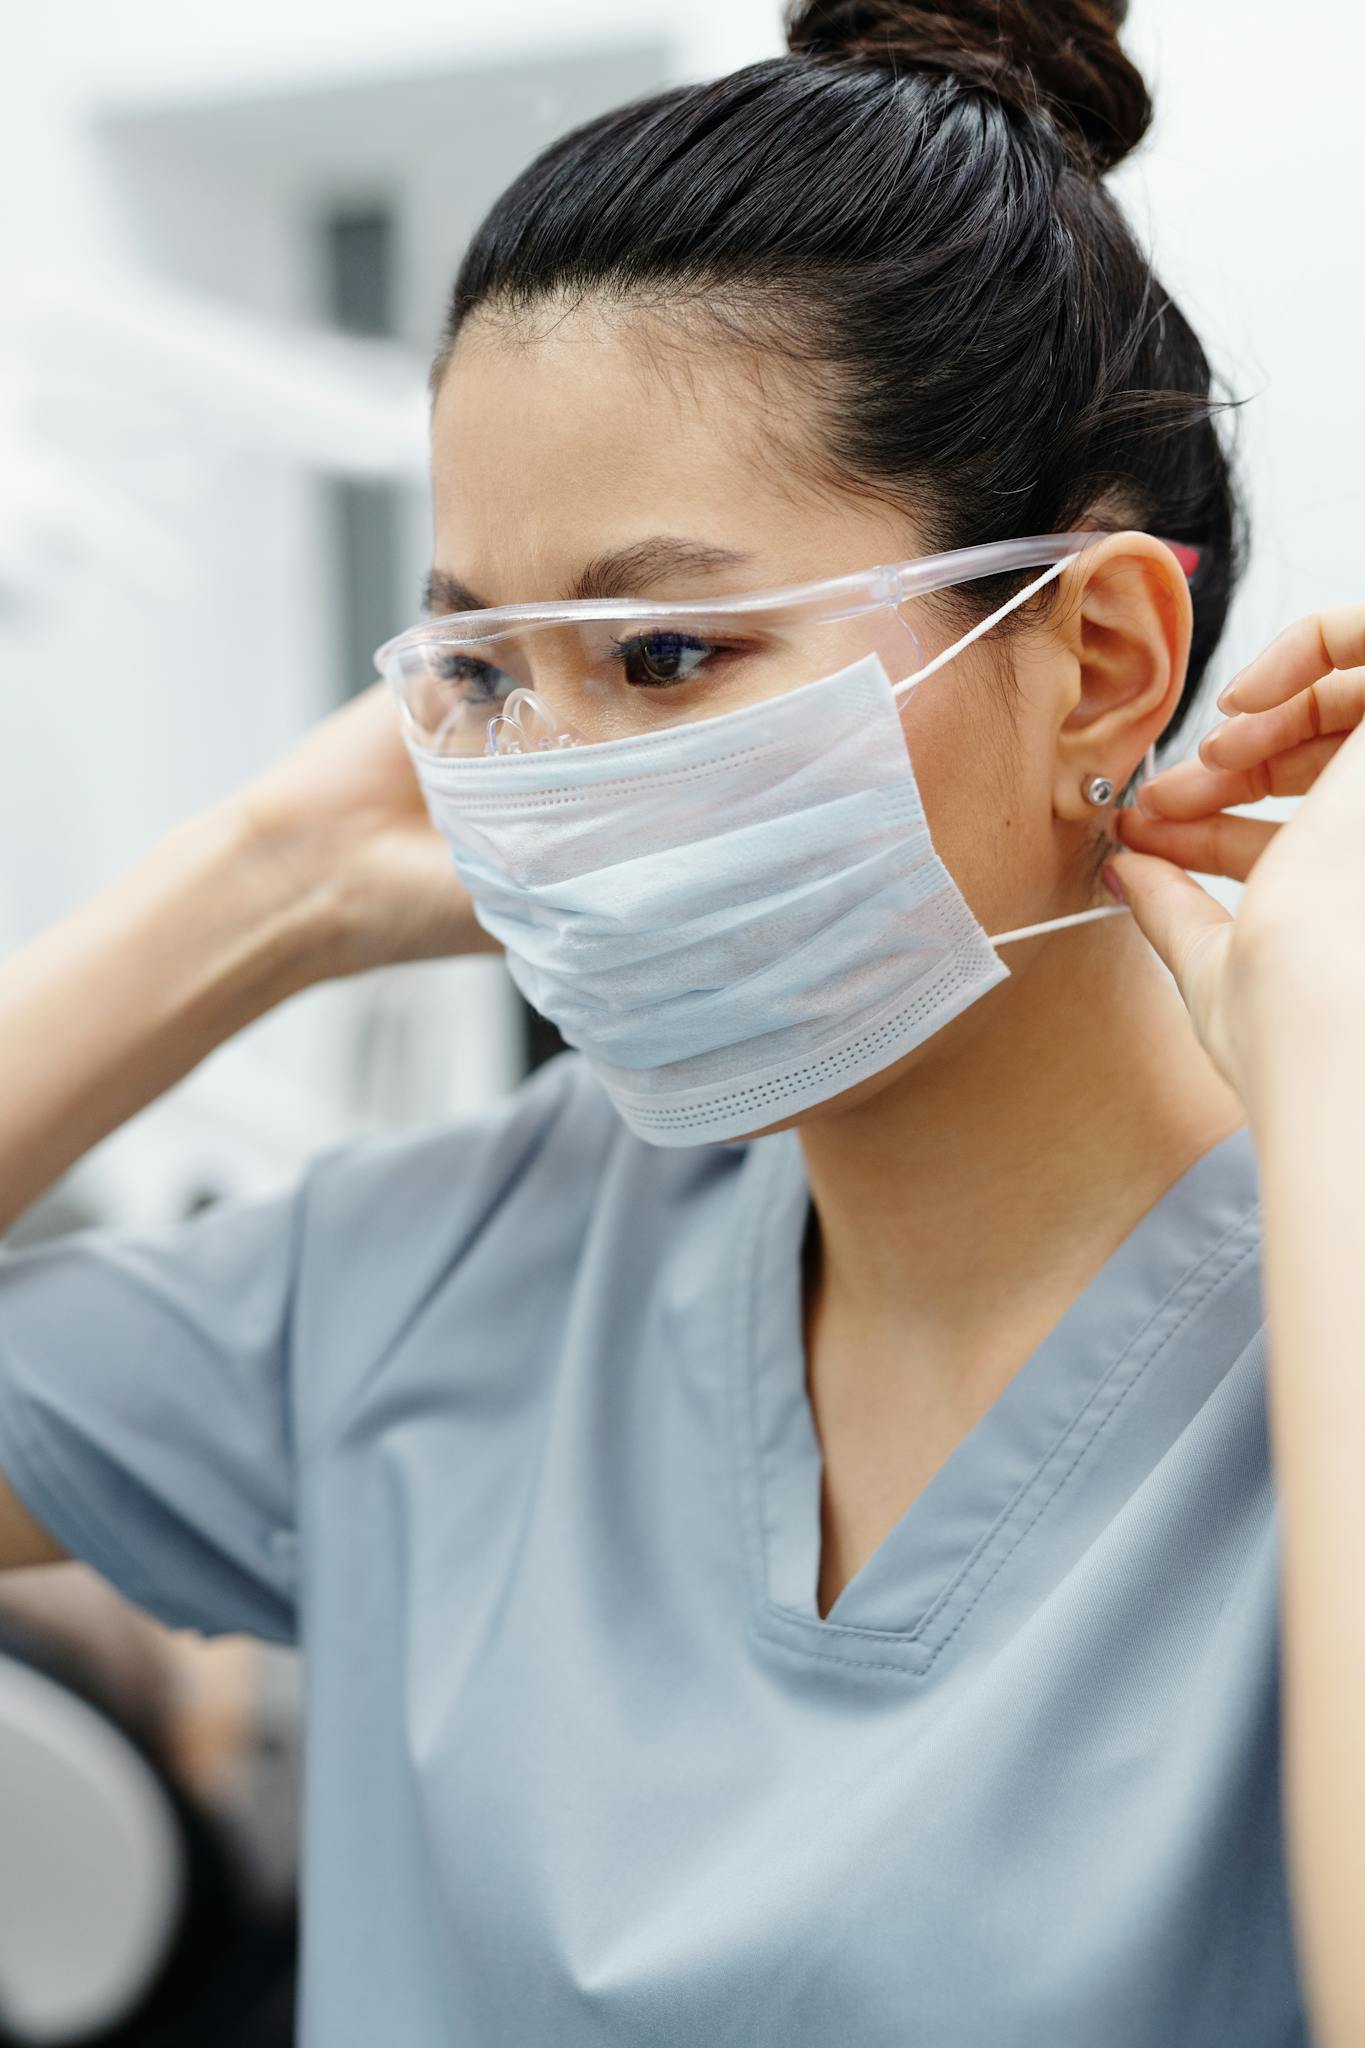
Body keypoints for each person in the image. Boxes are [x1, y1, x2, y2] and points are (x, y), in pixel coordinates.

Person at [0, 1, 1362, 2042]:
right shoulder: (453, 1265)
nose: (542, 771)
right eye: (477, 668)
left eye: (657, 651)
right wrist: (264, 881)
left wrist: (1334, 1090)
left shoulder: (1310, 1332)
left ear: (1093, 655)